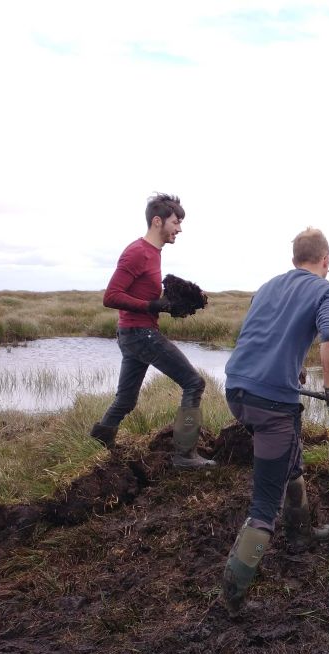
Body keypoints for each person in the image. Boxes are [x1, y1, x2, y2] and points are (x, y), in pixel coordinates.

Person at [220, 226, 329, 617]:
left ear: (295, 258)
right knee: (264, 505)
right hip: (271, 405)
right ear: (326, 260)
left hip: (238, 391)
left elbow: (260, 336)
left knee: (288, 461)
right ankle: (232, 596)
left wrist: (292, 371)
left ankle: (302, 536)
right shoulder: (328, 291)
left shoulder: (268, 287)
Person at [90, 193, 215, 468]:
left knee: (125, 400)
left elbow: (142, 298)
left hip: (134, 334)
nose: (179, 229)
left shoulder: (154, 254)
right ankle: (185, 455)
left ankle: (99, 439)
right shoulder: (137, 252)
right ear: (157, 221)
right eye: (176, 222)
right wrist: (152, 305)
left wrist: (168, 305)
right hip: (140, 334)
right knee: (194, 383)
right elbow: (111, 296)